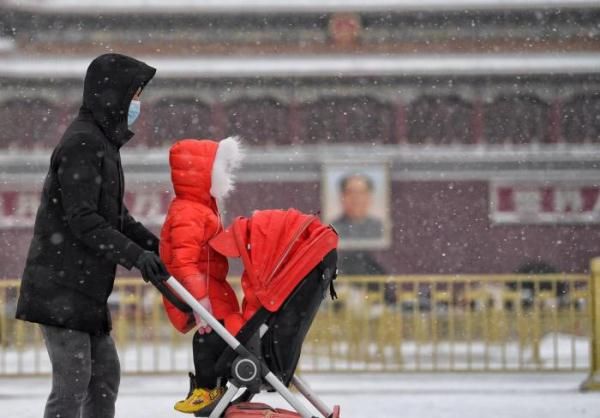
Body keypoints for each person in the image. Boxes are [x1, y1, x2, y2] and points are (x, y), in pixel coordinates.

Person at [15, 53, 170, 418]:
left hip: (84, 290)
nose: (137, 104)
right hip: (60, 287)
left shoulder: (103, 143)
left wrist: (156, 248)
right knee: (72, 381)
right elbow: (83, 219)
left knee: (103, 378)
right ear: (110, 94)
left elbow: (115, 216)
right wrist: (135, 256)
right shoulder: (82, 143)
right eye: (133, 95)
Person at [159, 137, 244, 414]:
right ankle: (207, 388)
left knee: (218, 337)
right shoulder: (189, 212)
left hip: (213, 289)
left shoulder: (200, 208)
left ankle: (212, 388)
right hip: (206, 292)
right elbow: (183, 262)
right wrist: (201, 300)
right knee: (209, 338)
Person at [331, 173, 384, 241]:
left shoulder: (380, 227)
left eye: (361, 192)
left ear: (369, 197)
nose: (356, 198)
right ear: (342, 197)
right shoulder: (332, 227)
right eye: (350, 192)